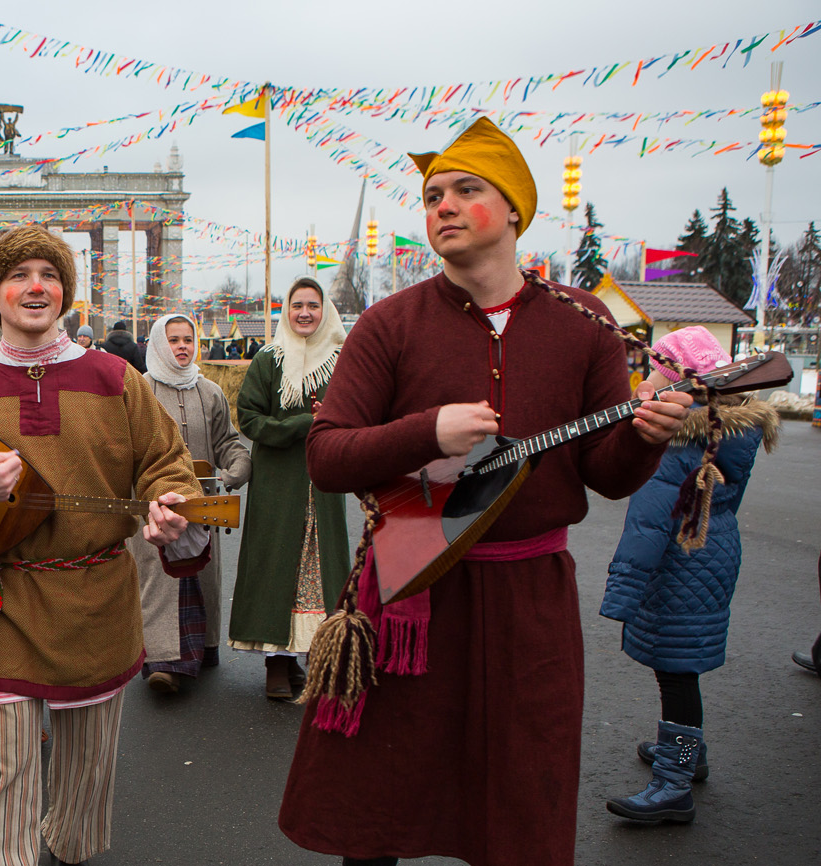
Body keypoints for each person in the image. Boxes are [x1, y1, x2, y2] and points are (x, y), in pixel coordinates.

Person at [277, 118, 691, 866]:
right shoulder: (387, 323)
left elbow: (605, 474)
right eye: (433, 194)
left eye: (467, 190)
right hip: (408, 594)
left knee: (520, 801)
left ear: (513, 210)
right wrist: (426, 432)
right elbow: (328, 456)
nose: (442, 205)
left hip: (529, 602)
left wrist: (644, 438)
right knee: (378, 803)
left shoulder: (584, 325)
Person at [0, 224, 210, 866]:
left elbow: (166, 464)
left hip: (95, 600)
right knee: (0, 778)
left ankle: (71, 847)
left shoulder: (118, 378)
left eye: (50, 276)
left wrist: (172, 504)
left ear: (65, 294)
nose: (36, 287)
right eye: (19, 276)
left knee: (87, 770)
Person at [601, 327, 780, 823]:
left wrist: (621, 593)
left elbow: (648, 522)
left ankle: (675, 782)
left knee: (676, 672)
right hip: (714, 552)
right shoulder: (728, 431)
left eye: (654, 375)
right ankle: (689, 753)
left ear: (676, 387)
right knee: (682, 668)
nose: (644, 384)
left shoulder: (677, 445)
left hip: (679, 563)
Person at [230, 277, 348, 700]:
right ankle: (278, 664)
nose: (304, 313)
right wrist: (303, 424)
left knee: (318, 570)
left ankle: (317, 658)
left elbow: (356, 413)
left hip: (324, 483)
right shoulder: (269, 359)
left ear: (324, 310)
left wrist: (334, 420)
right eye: (297, 305)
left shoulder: (341, 359)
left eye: (312, 306)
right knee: (276, 563)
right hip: (278, 481)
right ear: (286, 310)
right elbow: (250, 418)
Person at [132, 313, 251, 693]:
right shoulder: (140, 390)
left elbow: (228, 442)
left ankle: (200, 652)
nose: (182, 346)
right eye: (173, 340)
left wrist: (237, 466)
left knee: (200, 576)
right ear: (157, 344)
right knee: (159, 580)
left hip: (201, 505)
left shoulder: (210, 392)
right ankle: (161, 662)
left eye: (187, 339)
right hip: (155, 506)